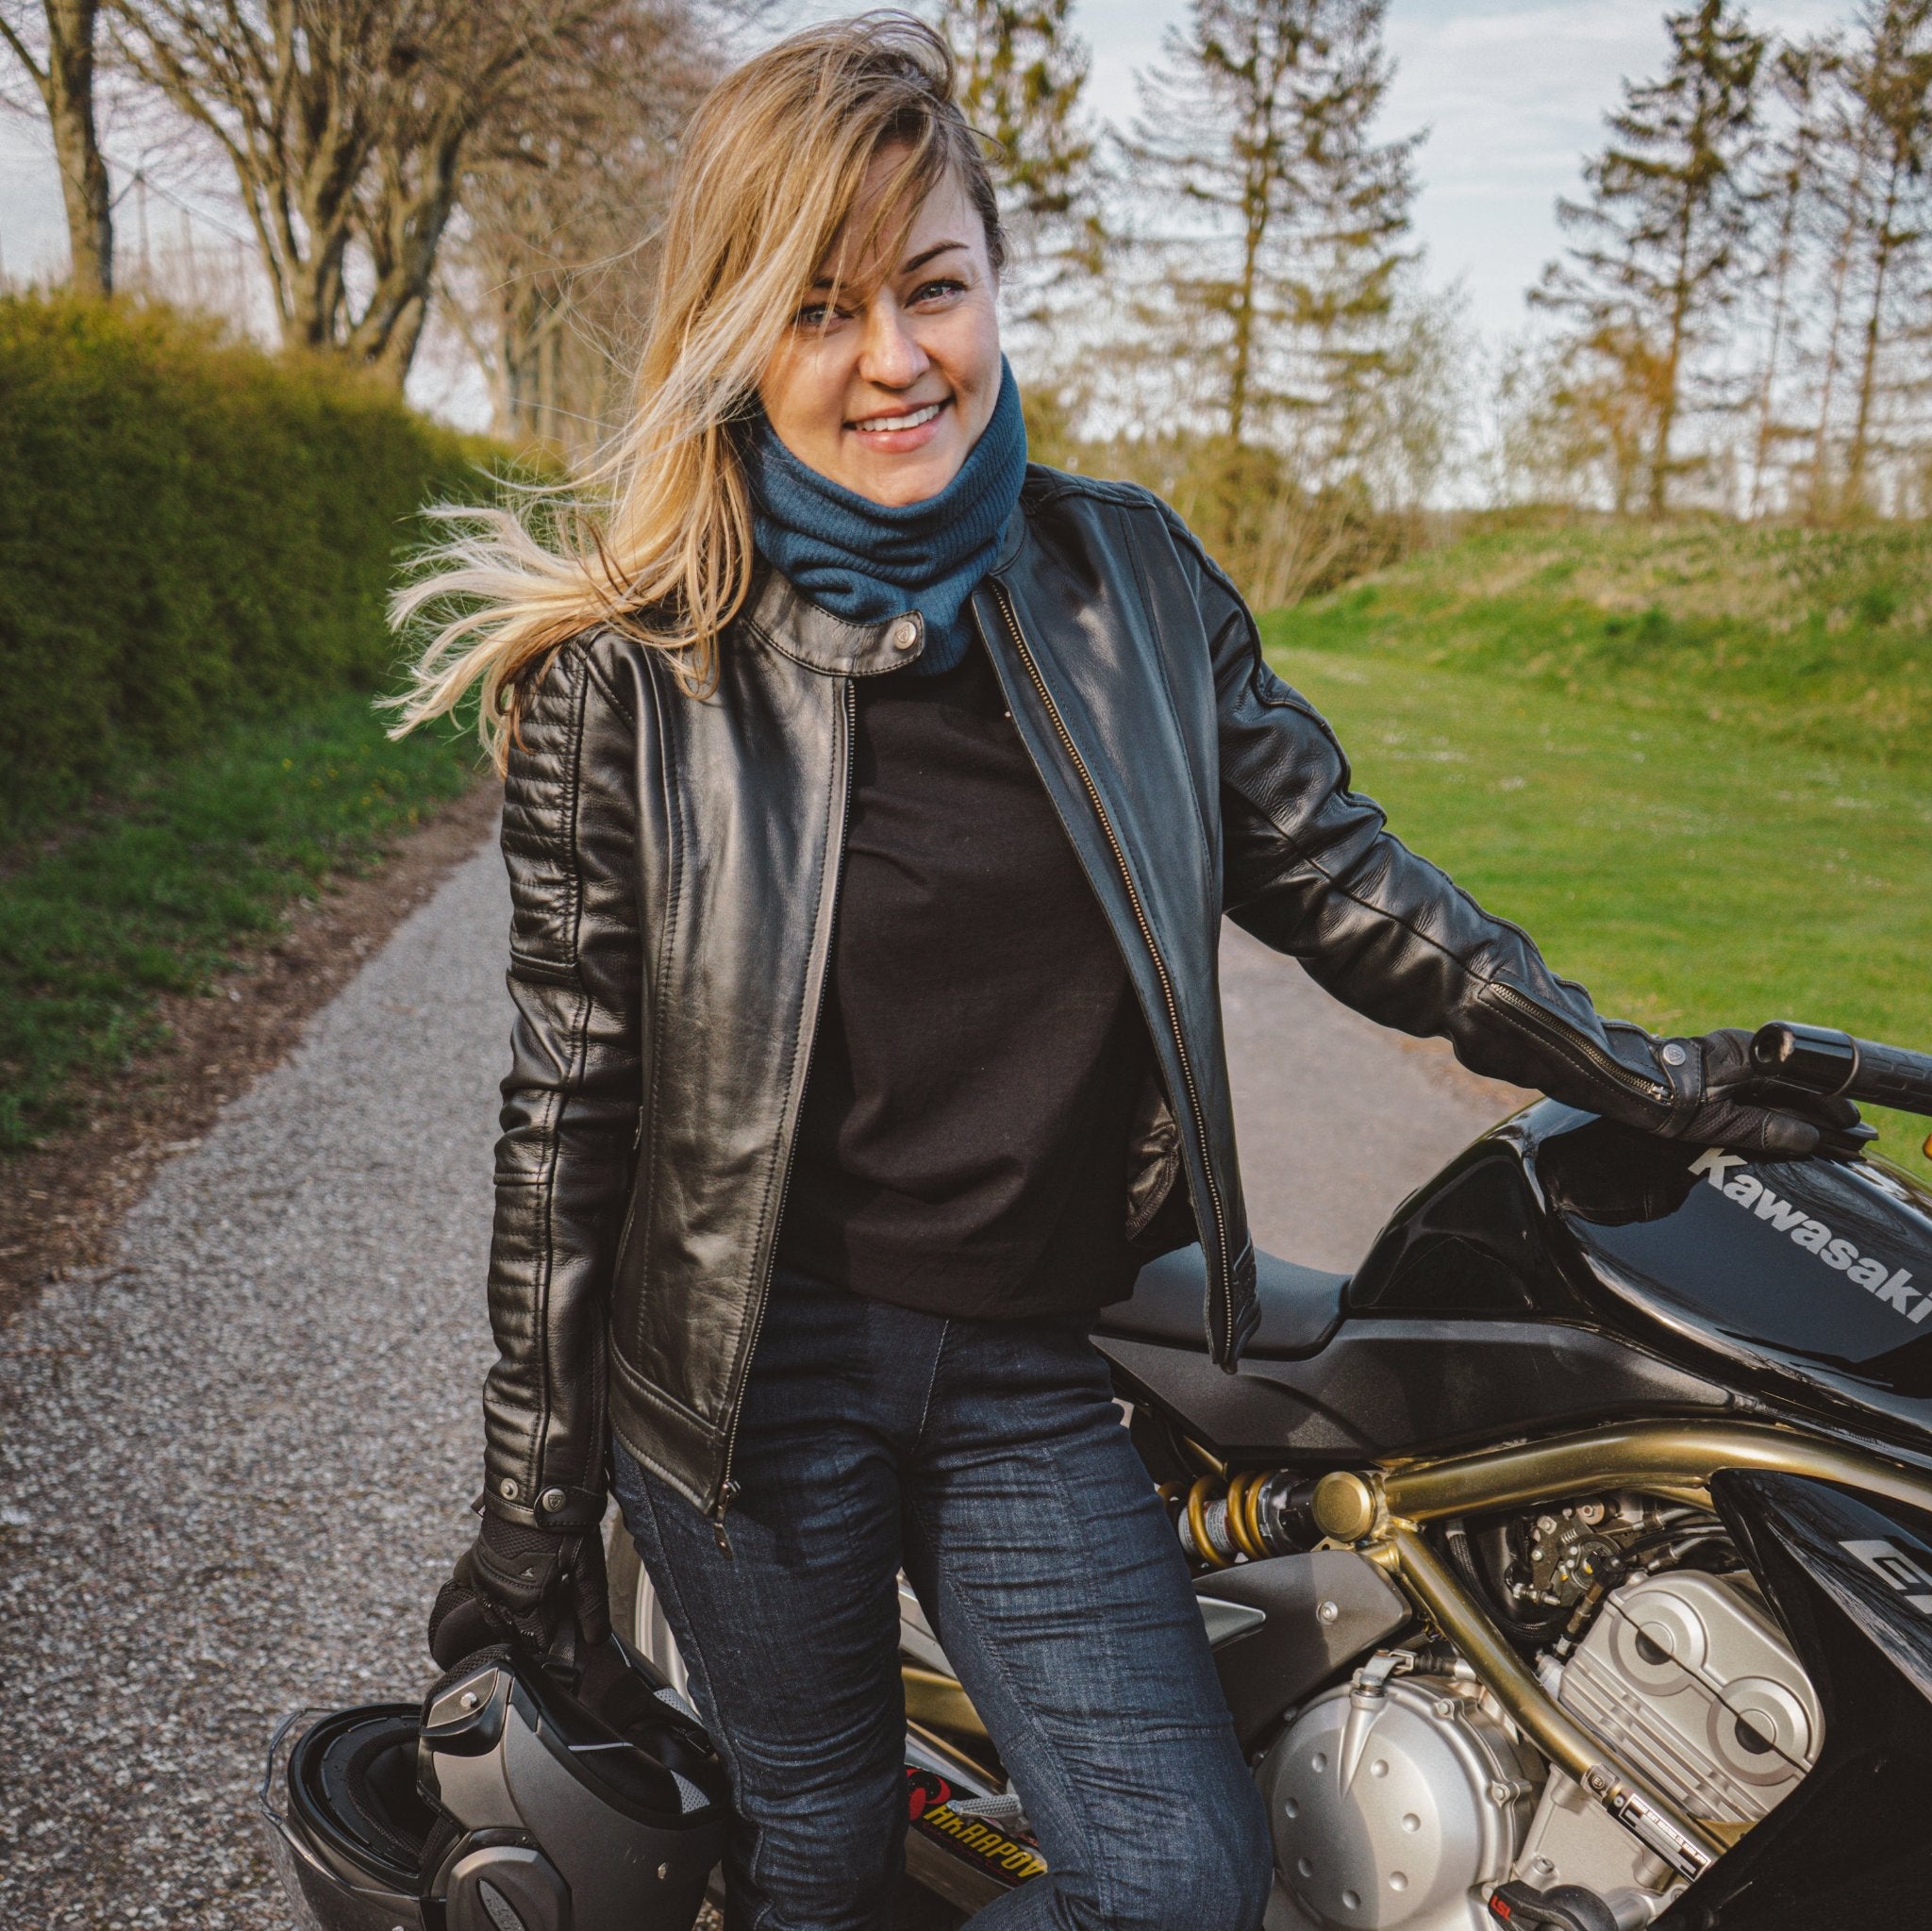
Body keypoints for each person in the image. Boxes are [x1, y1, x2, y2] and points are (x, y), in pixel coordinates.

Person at [392, 18, 1842, 1931]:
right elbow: (568, 1127)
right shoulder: (632, 684)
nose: (895, 356)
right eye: (821, 308)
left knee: (1177, 1882)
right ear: (741, 333)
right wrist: (530, 1509)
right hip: (750, 1382)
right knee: (814, 1851)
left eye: (932, 285)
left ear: (993, 278)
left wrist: (1627, 1063)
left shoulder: (1130, 589)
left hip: (1015, 1366)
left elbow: (1344, 881)